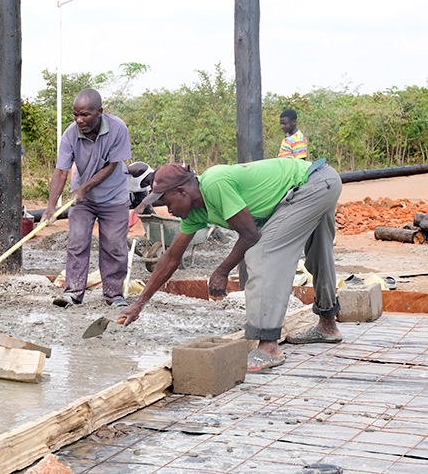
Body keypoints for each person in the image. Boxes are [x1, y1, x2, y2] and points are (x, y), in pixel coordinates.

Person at [116, 157, 343, 372]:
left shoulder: (215, 184)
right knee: (318, 253)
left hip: (312, 183)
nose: (169, 210)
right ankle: (328, 325)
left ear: (182, 192)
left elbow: (250, 235)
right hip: (322, 181)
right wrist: (140, 303)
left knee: (262, 253)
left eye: (167, 202)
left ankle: (269, 347)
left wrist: (222, 271)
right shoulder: (195, 212)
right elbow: (171, 258)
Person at [41, 88, 132, 309]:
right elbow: (61, 171)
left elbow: (112, 166)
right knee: (77, 241)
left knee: (114, 245)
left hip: (114, 197)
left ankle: (114, 295)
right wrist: (51, 206)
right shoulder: (70, 134)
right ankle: (72, 292)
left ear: (99, 112)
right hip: (82, 200)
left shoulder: (118, 128)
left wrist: (84, 187)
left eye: (85, 115)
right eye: (75, 115)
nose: (79, 120)